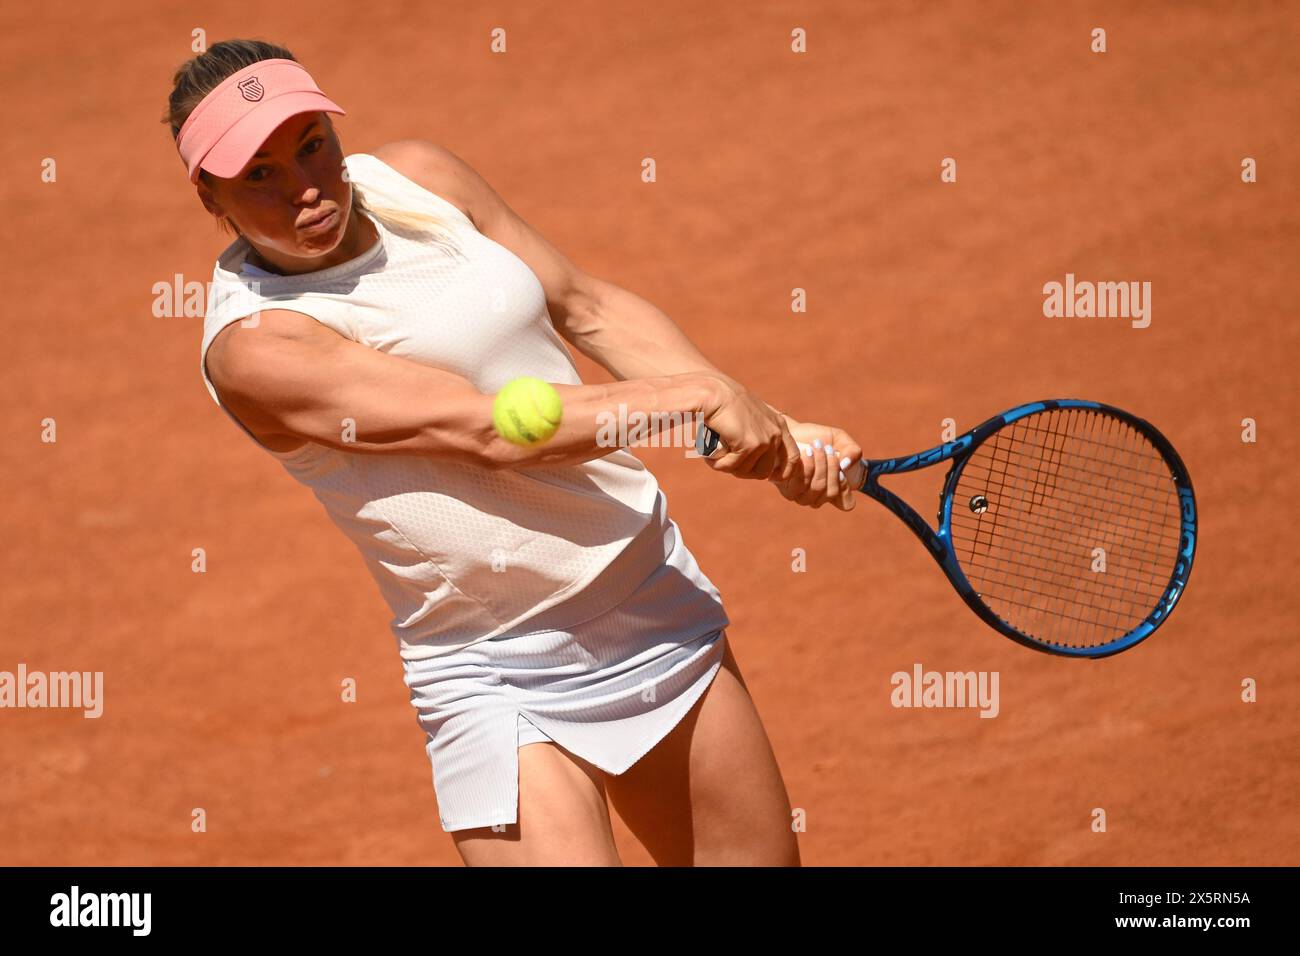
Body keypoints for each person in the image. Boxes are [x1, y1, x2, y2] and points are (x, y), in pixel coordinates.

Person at [164, 39, 864, 866]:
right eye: (260, 175)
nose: (305, 188)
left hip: (645, 598)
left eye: (312, 144)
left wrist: (772, 426)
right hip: (496, 669)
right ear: (209, 194)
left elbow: (588, 307)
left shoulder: (421, 178)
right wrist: (697, 402)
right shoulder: (256, 348)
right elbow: (489, 429)